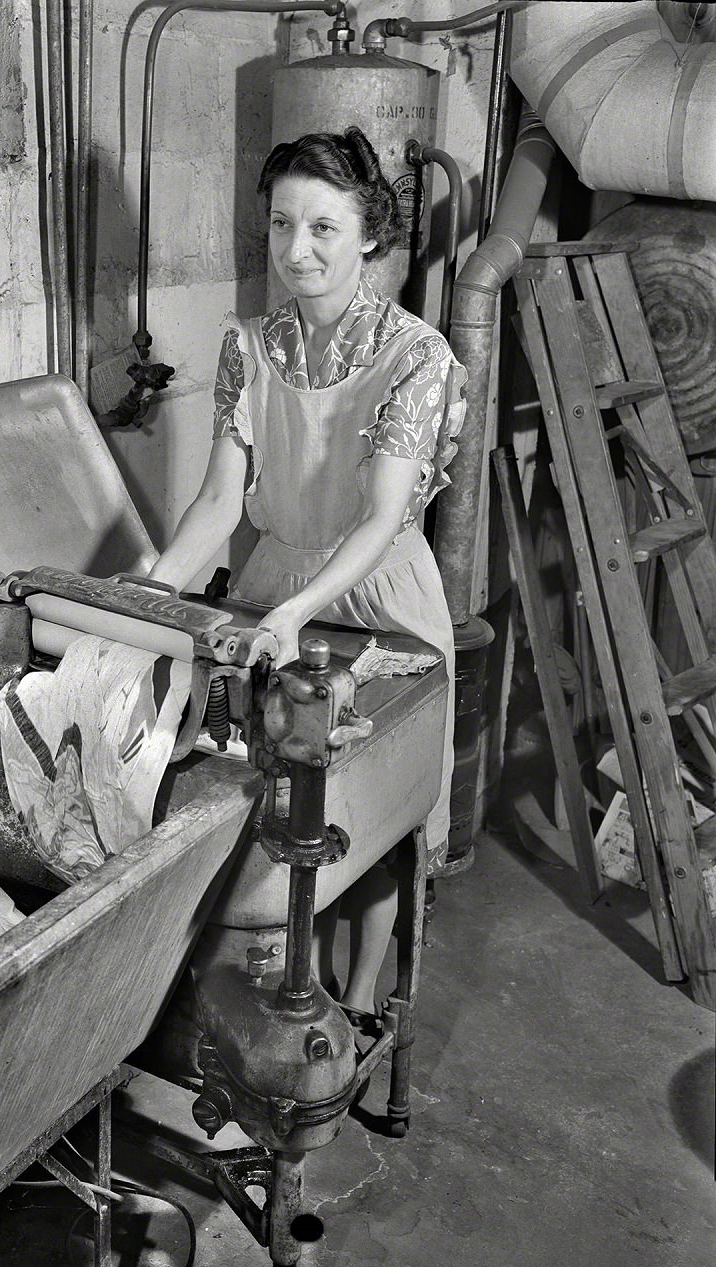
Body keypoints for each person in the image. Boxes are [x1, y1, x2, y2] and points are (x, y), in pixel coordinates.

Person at [150, 126, 465, 1018]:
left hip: (376, 599)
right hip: (271, 585)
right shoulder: (249, 346)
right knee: (275, 808)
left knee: (374, 811)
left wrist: (299, 613)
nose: (297, 250)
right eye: (282, 225)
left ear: (371, 233)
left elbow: (379, 516)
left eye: (323, 228)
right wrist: (155, 587)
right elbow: (219, 500)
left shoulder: (418, 357)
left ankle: (360, 1004)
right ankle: (295, 997)